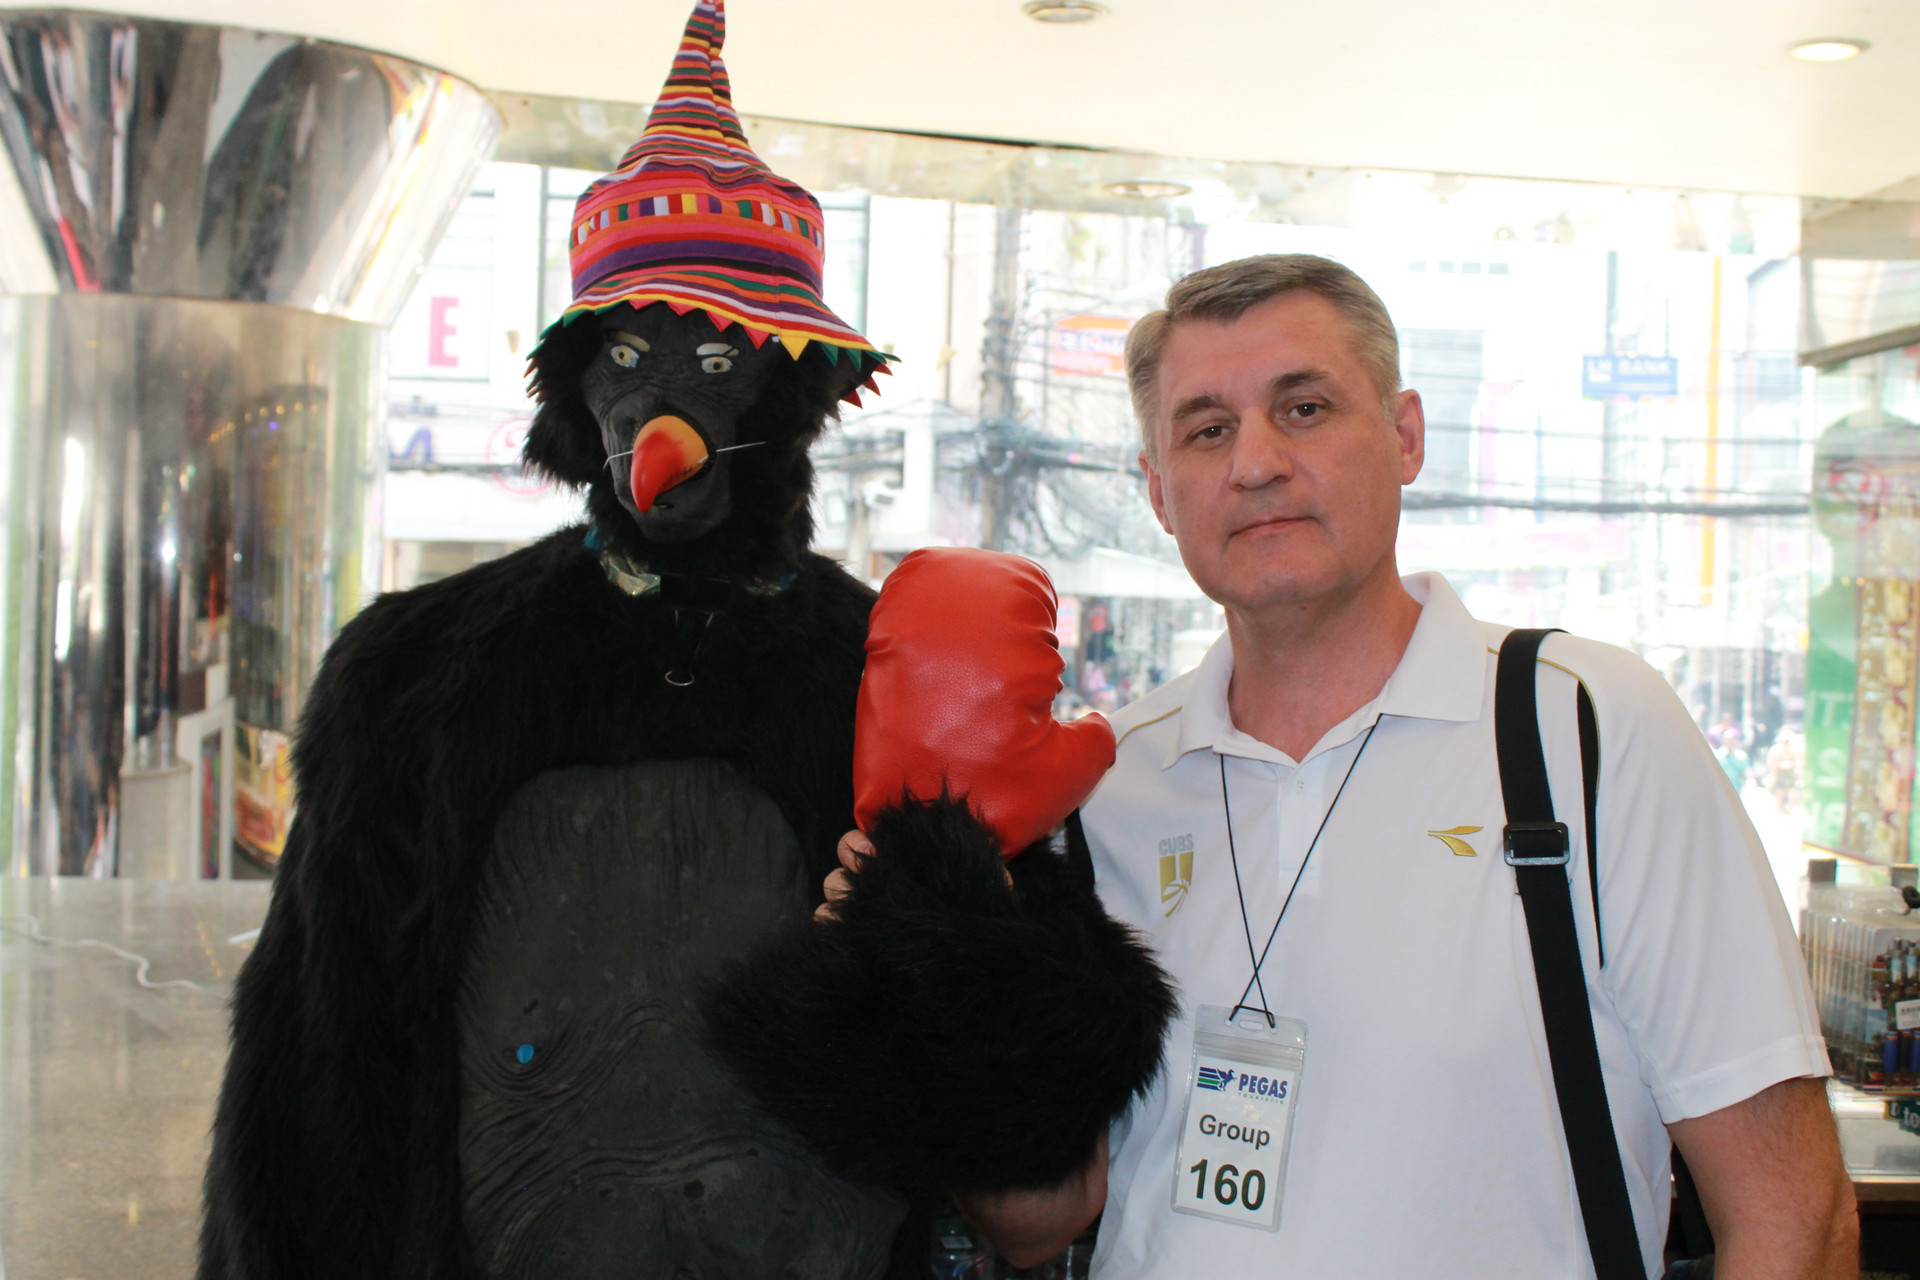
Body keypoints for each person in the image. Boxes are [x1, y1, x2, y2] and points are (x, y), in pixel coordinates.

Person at [839, 254, 1855, 1276]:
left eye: (1305, 408)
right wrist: (936, 955)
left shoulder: (1583, 730)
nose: (1256, 463)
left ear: (1406, 435)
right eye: (1207, 429)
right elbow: (1036, 1218)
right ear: (1159, 491)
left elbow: (1794, 1220)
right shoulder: (1102, 787)